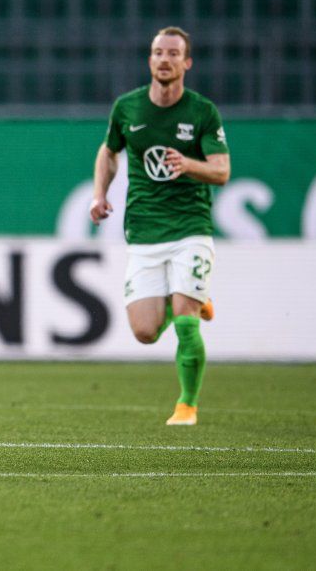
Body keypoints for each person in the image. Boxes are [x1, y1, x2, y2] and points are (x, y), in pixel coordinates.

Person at [89, 26, 230, 426]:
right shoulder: (128, 108)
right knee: (145, 331)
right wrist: (100, 194)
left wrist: (189, 165)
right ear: (150, 60)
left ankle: (187, 405)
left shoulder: (202, 111)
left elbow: (221, 171)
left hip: (191, 227)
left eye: (173, 53)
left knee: (185, 322)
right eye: (157, 52)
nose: (164, 59)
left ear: (186, 62)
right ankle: (194, 298)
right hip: (144, 229)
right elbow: (109, 151)